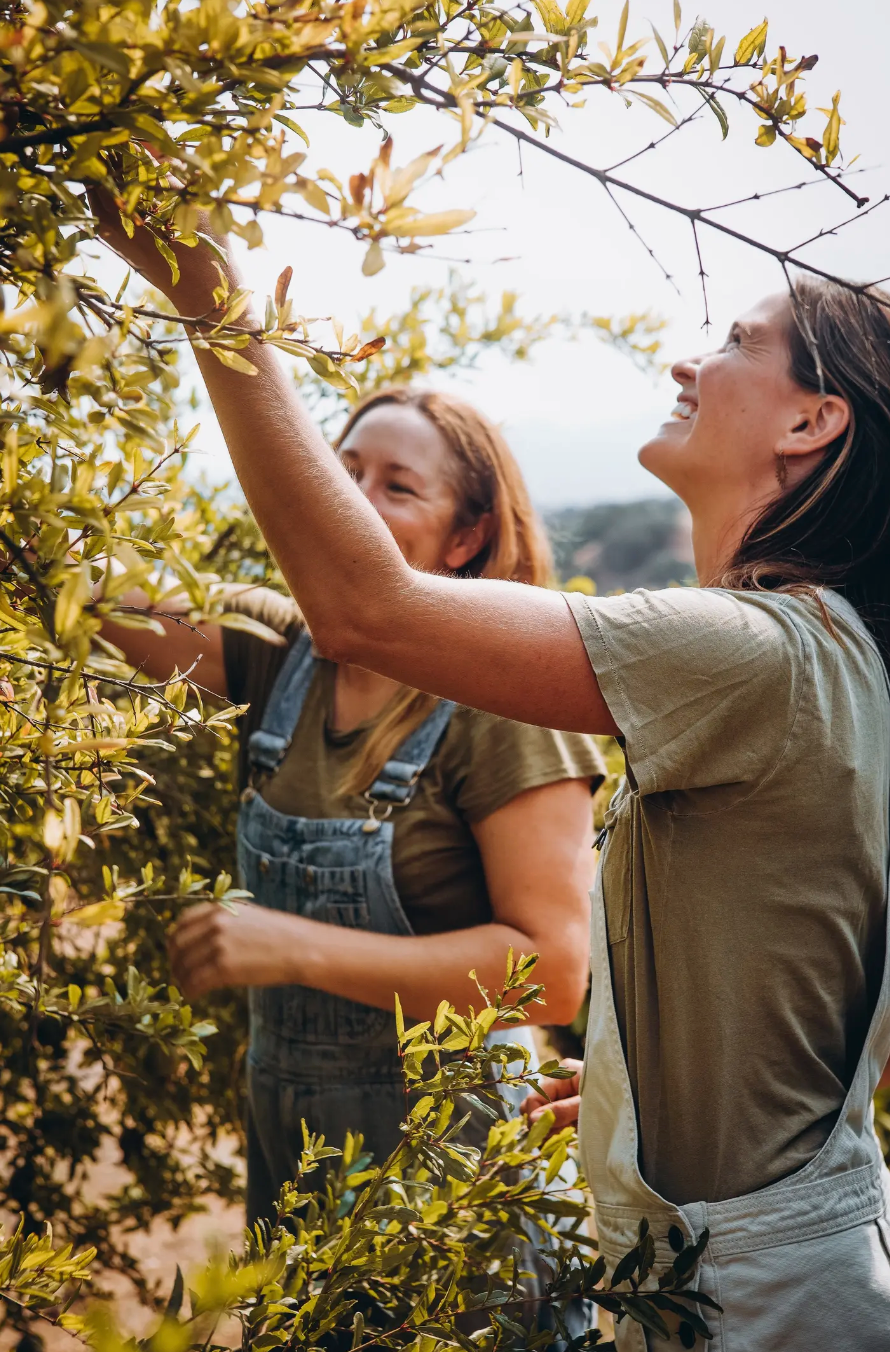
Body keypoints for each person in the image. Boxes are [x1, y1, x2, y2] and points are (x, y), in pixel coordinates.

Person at [96, 198, 890, 1346]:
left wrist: (209, 297)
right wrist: (636, 1095)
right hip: (739, 1259)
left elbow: (364, 607)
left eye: (734, 343)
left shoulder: (753, 650)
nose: (687, 357)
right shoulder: (817, 650)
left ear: (812, 420)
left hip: (752, 1296)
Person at [100, 379, 604, 1223]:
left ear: (467, 536)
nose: (355, 504)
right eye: (343, 474)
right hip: (296, 1171)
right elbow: (93, 589)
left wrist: (295, 947)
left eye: (397, 487)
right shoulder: (279, 652)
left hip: (451, 1188)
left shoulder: (507, 708)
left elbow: (551, 976)